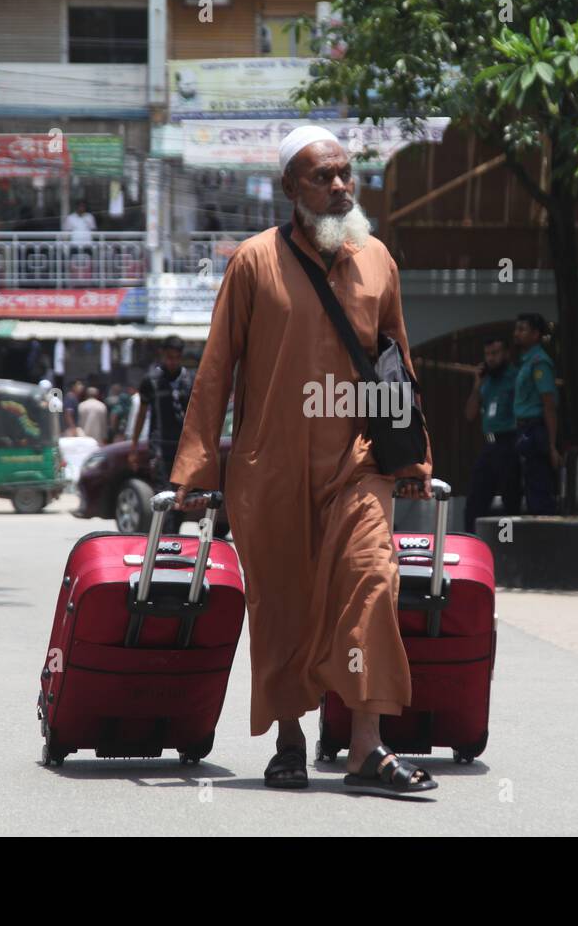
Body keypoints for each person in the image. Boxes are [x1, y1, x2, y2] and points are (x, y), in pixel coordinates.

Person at [167, 125, 437, 796]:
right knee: (282, 606)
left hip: (359, 462)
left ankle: (366, 748)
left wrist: (415, 458)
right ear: (290, 188)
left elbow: (398, 364)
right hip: (271, 468)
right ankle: (289, 740)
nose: (340, 185)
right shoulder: (254, 262)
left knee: (371, 585)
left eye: (347, 173)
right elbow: (216, 371)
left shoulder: (377, 259)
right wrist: (197, 473)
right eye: (323, 175)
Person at [128, 337, 193, 531]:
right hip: (160, 448)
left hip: (184, 449)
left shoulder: (190, 380)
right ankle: (166, 538)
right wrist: (133, 447)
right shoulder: (151, 381)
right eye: (169, 357)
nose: (172, 361)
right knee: (164, 494)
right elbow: (141, 414)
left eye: (177, 357)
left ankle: (175, 536)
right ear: (162, 355)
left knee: (182, 496)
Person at [463, 336, 521, 534]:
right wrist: (476, 385)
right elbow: (470, 415)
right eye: (487, 354)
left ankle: (510, 543)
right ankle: (471, 541)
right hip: (489, 445)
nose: (491, 359)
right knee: (475, 500)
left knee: (510, 498)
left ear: (505, 353)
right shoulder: (486, 381)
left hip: (509, 442)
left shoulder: (515, 378)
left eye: (495, 353)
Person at [512, 313, 562, 516]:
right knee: (530, 485)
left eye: (522, 329)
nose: (517, 333)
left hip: (535, 430)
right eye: (516, 329)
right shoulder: (526, 362)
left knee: (538, 486)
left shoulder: (539, 363)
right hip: (525, 429)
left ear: (535, 334)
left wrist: (551, 446)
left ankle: (545, 534)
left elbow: (549, 405)